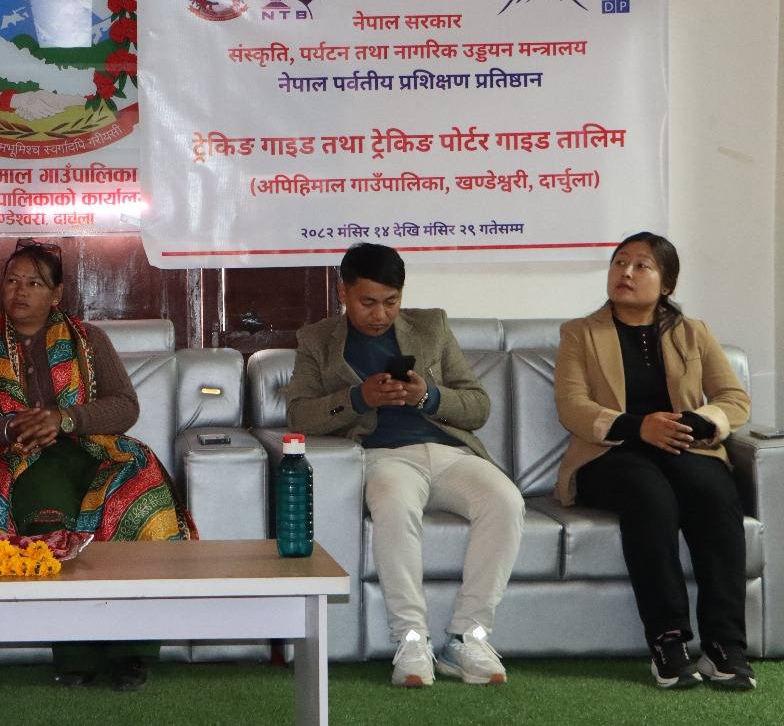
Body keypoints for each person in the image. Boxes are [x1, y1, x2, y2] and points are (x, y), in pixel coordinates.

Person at [0, 238, 196, 690]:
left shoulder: (89, 339)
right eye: (12, 281)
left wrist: (66, 419)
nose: (20, 291)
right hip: (28, 459)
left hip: (96, 450)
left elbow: (125, 406)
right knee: (52, 526)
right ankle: (76, 657)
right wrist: (10, 428)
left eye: (34, 283)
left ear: (56, 294)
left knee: (142, 505)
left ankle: (131, 655)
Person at [284, 243, 523, 687]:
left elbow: (478, 406)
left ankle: (467, 637)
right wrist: (358, 398)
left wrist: (428, 396)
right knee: (394, 505)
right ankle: (411, 638)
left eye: (391, 302)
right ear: (343, 293)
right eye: (368, 302)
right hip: (383, 456)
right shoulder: (316, 340)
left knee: (506, 501)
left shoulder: (432, 326)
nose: (380, 314)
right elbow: (299, 414)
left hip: (449, 452)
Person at [554, 231, 754, 690]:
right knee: (649, 495)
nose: (625, 272)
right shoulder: (580, 333)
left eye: (641, 265)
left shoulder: (693, 332)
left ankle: (724, 645)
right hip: (611, 454)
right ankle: (668, 641)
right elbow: (572, 405)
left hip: (683, 446)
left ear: (666, 284)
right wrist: (637, 426)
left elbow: (734, 398)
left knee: (715, 493)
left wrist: (696, 422)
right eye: (619, 262)